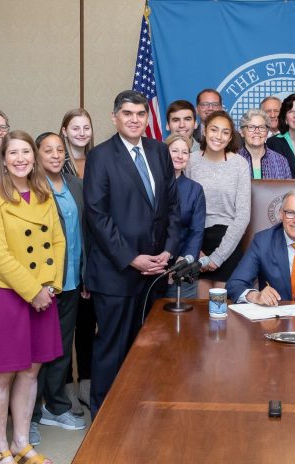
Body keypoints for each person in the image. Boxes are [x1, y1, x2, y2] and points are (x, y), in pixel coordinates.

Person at [83, 90, 179, 415]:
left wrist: (168, 251)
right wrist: (131, 257)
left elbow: (172, 207)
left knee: (151, 347)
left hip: (156, 272)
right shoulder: (100, 157)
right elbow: (97, 215)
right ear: (115, 117)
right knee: (112, 347)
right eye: (128, 114)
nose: (135, 119)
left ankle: (142, 409)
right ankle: (105, 416)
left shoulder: (159, 151)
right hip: (117, 272)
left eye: (140, 114)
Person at [0, 130, 65, 464]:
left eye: (25, 152)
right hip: (6, 294)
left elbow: (58, 240)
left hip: (44, 293)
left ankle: (21, 442)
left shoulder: (43, 193)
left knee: (31, 371)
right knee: (2, 374)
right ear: (3, 158)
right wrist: (34, 290)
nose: (20, 159)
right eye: (13, 153)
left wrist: (52, 283)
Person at [33, 131, 88, 433]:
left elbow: (84, 233)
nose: (55, 155)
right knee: (36, 352)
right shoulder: (30, 188)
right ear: (36, 155)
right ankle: (29, 414)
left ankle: (56, 406)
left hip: (71, 280)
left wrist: (85, 275)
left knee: (61, 349)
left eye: (59, 150)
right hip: (43, 284)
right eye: (48, 150)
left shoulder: (75, 185)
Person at [186, 110, 251, 296]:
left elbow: (243, 215)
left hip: (227, 242)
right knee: (199, 314)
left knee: (222, 313)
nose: (219, 136)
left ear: (231, 137)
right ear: (205, 131)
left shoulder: (239, 164)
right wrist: (195, 251)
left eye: (225, 132)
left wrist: (218, 256)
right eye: (214, 130)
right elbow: (184, 211)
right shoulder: (190, 161)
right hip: (197, 241)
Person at [59, 107, 96, 413]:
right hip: (68, 254)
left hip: (96, 252)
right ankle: (65, 389)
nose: (82, 133)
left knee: (87, 323)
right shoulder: (58, 167)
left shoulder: (98, 161)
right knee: (64, 329)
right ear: (64, 131)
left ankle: (85, 382)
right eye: (76, 127)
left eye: (86, 127)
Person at [164, 134, 206, 299]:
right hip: (150, 266)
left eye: (185, 152)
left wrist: (180, 265)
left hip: (181, 265)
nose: (180, 156)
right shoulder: (151, 183)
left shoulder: (194, 190)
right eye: (174, 151)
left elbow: (196, 231)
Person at [237, 108, 292, 180]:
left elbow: (288, 190)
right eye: (251, 127)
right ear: (241, 132)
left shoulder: (281, 161)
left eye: (262, 127)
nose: (257, 131)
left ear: (267, 132)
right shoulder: (232, 161)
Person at [60, 108, 95, 178]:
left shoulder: (99, 159)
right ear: (65, 132)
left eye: (86, 128)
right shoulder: (58, 162)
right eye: (76, 129)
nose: (82, 133)